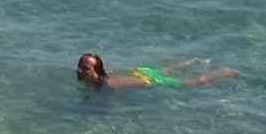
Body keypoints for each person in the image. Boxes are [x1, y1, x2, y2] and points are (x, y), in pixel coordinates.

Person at [76, 53, 237, 90]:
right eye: (80, 66)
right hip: (141, 72)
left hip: (149, 80)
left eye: (85, 69)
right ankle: (194, 61)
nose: (80, 71)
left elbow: (118, 96)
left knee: (189, 83)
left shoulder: (109, 86)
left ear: (96, 71)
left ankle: (223, 73)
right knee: (167, 70)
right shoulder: (103, 76)